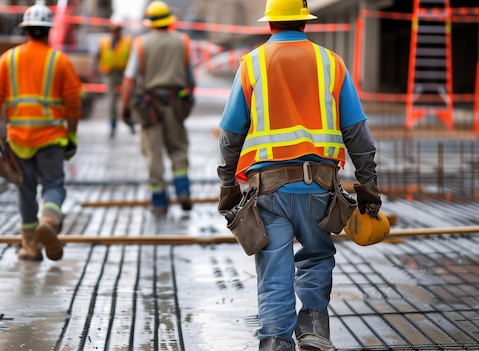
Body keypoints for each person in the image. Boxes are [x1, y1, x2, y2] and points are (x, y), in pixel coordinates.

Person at [216, 0, 383, 350]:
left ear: (270, 24)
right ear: (305, 23)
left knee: (274, 268)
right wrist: (367, 185)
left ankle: (276, 342)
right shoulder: (331, 63)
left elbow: (231, 135)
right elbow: (357, 133)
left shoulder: (252, 64)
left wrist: (227, 183)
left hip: (269, 191)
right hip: (320, 189)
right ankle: (313, 330)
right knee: (318, 256)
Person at [0, 0, 82, 262]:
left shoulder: (9, 59)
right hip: (51, 137)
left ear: (26, 30)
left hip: (18, 139)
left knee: (25, 190)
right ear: (49, 30)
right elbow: (73, 103)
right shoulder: (59, 61)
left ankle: (30, 247)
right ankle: (50, 220)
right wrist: (71, 136)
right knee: (53, 185)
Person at [119, 0, 196, 216]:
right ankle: (183, 192)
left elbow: (129, 79)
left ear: (150, 22)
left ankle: (159, 201)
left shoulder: (141, 44)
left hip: (149, 106)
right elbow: (191, 81)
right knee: (178, 149)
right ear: (169, 20)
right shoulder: (183, 41)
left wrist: (125, 107)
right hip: (174, 103)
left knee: (153, 153)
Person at [94, 20, 132, 138]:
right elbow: (98, 57)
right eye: (113, 31)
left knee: (127, 99)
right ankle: (112, 127)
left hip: (124, 74)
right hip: (110, 74)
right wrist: (99, 70)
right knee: (111, 103)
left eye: (117, 31)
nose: (115, 33)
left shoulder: (127, 43)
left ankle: (130, 122)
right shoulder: (105, 43)